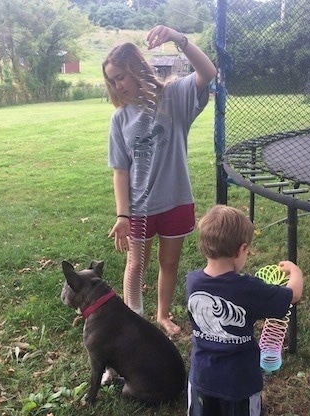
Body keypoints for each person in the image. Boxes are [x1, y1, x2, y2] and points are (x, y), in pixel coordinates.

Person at [103, 26, 216, 336]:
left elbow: (207, 72)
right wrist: (122, 214)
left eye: (121, 76)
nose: (118, 85)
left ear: (136, 67)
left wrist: (179, 38)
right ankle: (133, 323)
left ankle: (162, 316)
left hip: (176, 201)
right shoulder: (120, 119)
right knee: (136, 266)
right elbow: (121, 170)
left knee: (169, 263)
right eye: (112, 80)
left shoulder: (174, 96)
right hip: (138, 208)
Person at [186, 205, 303, 416]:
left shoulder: (192, 281)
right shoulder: (248, 288)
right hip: (238, 381)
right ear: (241, 250)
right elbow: (292, 296)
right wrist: (295, 272)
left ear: (204, 247)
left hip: (201, 374)